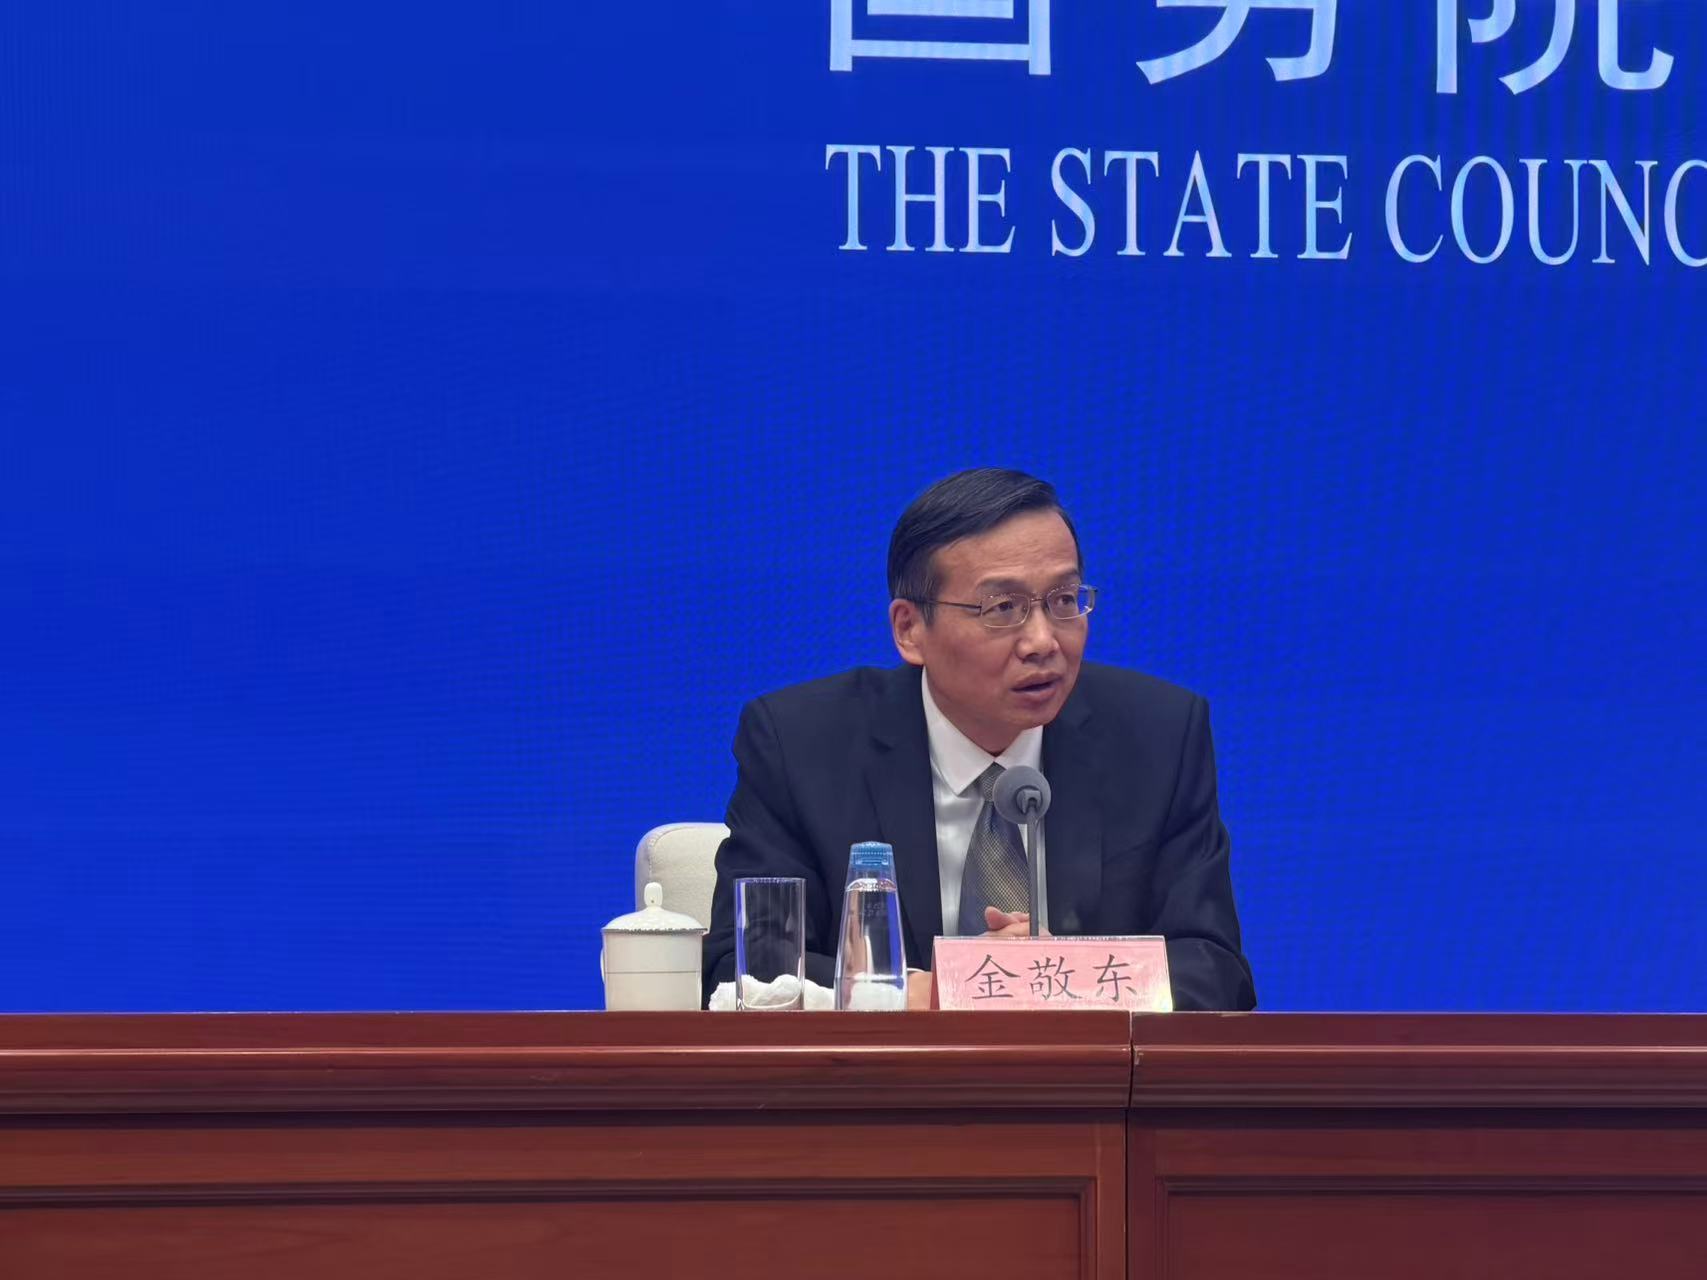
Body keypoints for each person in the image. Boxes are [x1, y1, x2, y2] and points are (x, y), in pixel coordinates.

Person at [701, 468, 1256, 1011]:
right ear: (909, 629)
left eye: (1064, 600)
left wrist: (1058, 977)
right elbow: (746, 967)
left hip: (1083, 1073)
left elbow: (1215, 971)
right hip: (882, 1072)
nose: (1042, 641)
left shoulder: (1158, 735)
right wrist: (922, 993)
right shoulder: (802, 743)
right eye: (1002, 609)